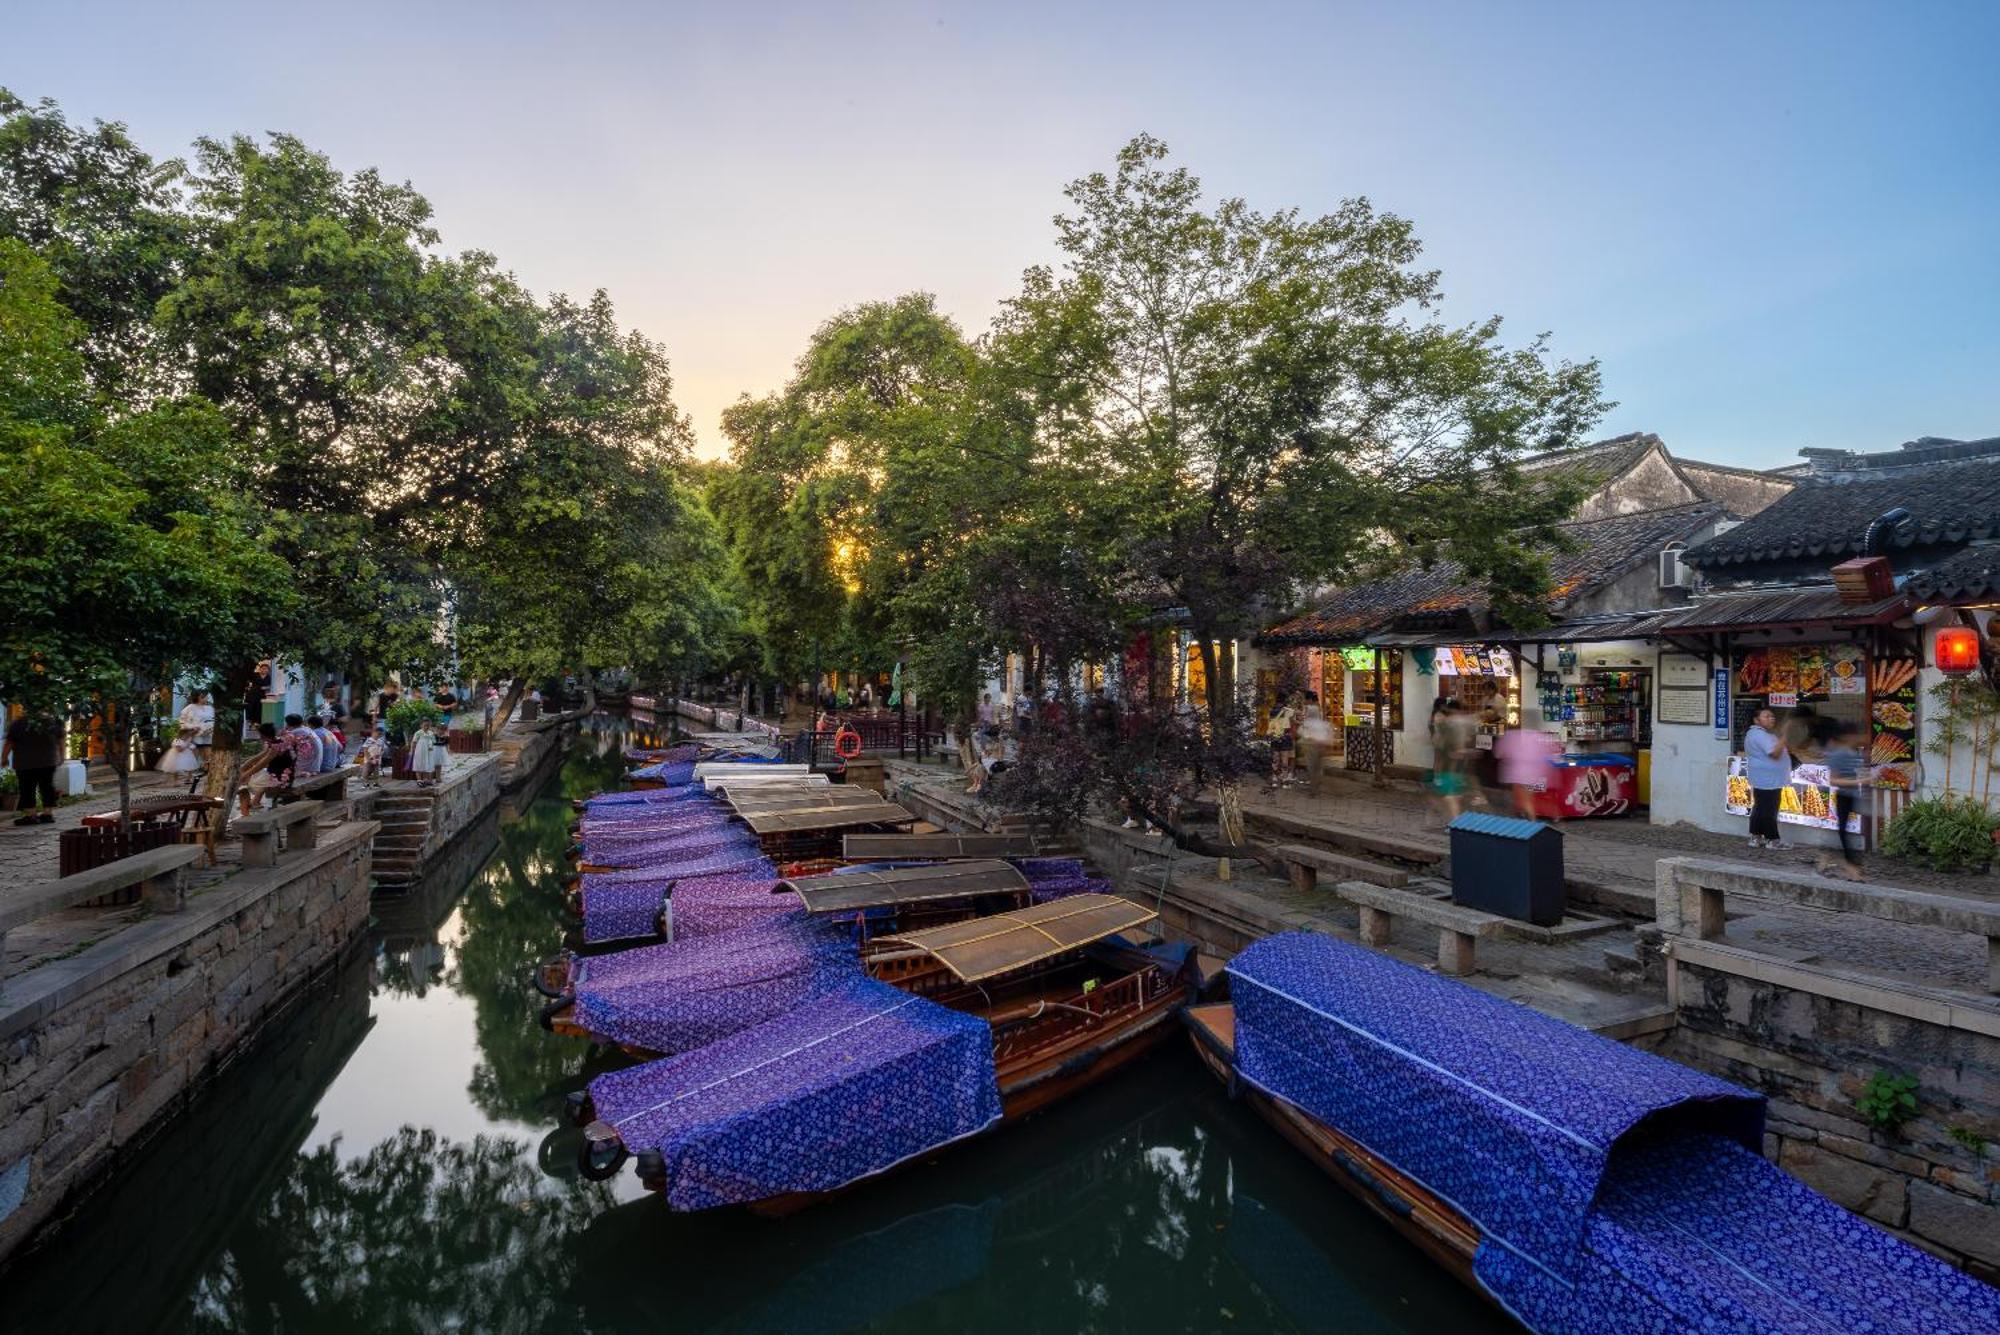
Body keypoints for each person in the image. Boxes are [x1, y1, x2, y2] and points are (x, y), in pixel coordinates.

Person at [1820, 722, 1867, 880]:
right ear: (1847, 737)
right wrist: (1859, 782)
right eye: (1855, 735)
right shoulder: (1839, 754)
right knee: (1843, 830)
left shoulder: (1855, 753)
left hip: (1854, 795)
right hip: (1845, 795)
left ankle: (1847, 861)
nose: (1859, 738)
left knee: (1845, 830)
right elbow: (1834, 780)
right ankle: (1849, 863)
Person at [4, 709, 64, 825]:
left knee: (27, 789)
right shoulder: (53, 722)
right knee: (47, 786)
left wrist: (4, 757)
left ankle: (31, 815)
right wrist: (62, 755)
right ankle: (48, 814)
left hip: (25, 763)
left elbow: (9, 742)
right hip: (48, 761)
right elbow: (60, 740)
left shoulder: (19, 723)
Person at [1743, 706, 1791, 849]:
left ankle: (1755, 837)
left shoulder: (1760, 733)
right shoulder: (1759, 735)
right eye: (1767, 716)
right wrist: (1785, 737)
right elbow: (1774, 753)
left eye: (1772, 716)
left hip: (1765, 778)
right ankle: (1772, 840)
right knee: (1769, 809)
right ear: (1756, 720)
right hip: (1768, 779)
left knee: (1760, 807)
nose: (1771, 718)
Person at [1495, 724, 1560, 820]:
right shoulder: (1539, 736)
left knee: (1525, 801)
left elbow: (1498, 753)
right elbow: (1553, 752)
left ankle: (1532, 823)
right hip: (1538, 773)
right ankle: (1553, 813)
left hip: (1520, 775)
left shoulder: (1510, 736)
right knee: (1528, 798)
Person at [239, 721, 294, 814]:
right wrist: (243, 767)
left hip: (280, 777)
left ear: (263, 735)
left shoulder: (275, 747)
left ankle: (245, 814)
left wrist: (245, 774)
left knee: (242, 788)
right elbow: (259, 757)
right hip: (276, 773)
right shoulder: (275, 741)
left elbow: (262, 764)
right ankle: (253, 804)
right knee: (247, 778)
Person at [1296, 692, 1336, 792]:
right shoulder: (1322, 723)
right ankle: (1316, 784)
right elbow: (1329, 733)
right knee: (1318, 767)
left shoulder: (1308, 722)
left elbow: (1301, 732)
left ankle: (1313, 785)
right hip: (1321, 746)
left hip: (1311, 745)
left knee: (1311, 766)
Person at [1266, 694, 1298, 788]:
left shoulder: (1272, 711)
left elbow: (1271, 724)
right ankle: (1284, 781)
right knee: (1285, 760)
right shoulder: (1289, 711)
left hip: (1275, 738)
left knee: (1275, 760)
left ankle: (1274, 779)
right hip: (1285, 737)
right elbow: (1293, 723)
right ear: (1285, 701)